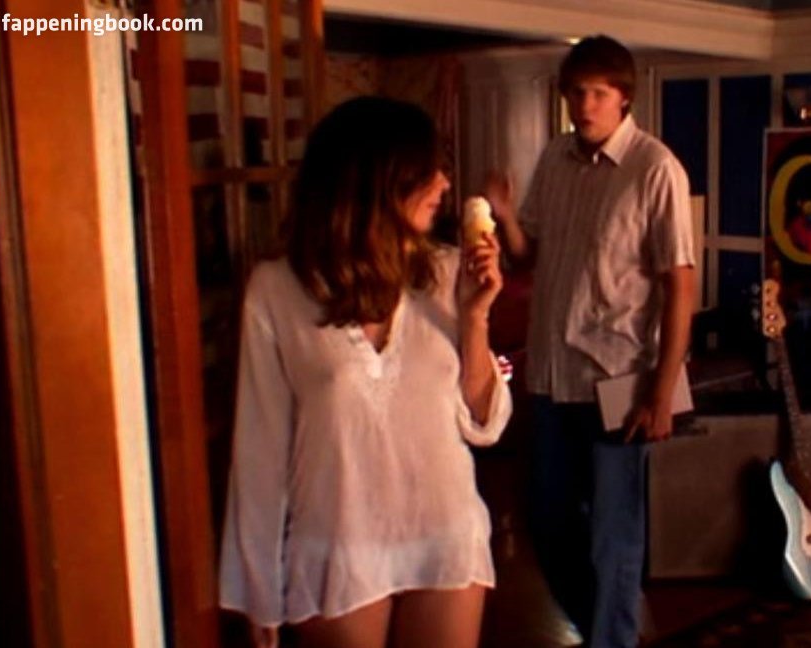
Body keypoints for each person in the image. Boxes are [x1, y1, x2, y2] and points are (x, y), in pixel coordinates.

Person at [219, 96, 512, 648]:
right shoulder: (276, 290)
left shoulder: (450, 272)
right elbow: (259, 448)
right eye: (428, 171)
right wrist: (257, 584)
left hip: (444, 532)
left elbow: (484, 425)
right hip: (337, 544)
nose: (445, 184)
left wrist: (476, 317)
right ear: (378, 181)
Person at [485, 34, 695, 648]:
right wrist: (503, 214)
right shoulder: (555, 158)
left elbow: (680, 284)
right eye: (575, 93)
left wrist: (662, 390)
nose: (584, 106)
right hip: (551, 377)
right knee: (545, 522)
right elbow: (528, 253)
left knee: (613, 538)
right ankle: (612, 630)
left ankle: (612, 635)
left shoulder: (655, 168)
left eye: (597, 94)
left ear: (623, 97)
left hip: (618, 382)